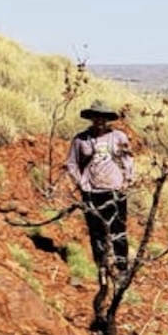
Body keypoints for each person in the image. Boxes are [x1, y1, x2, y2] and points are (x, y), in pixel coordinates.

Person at [64, 100, 135, 283]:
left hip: (115, 190)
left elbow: (128, 160)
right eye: (96, 117)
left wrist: (127, 181)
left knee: (118, 230)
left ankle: (121, 269)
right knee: (96, 231)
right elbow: (71, 164)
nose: (99, 120)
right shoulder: (81, 139)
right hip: (91, 192)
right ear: (91, 118)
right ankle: (101, 267)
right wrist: (80, 182)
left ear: (108, 119)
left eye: (103, 117)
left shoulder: (118, 137)